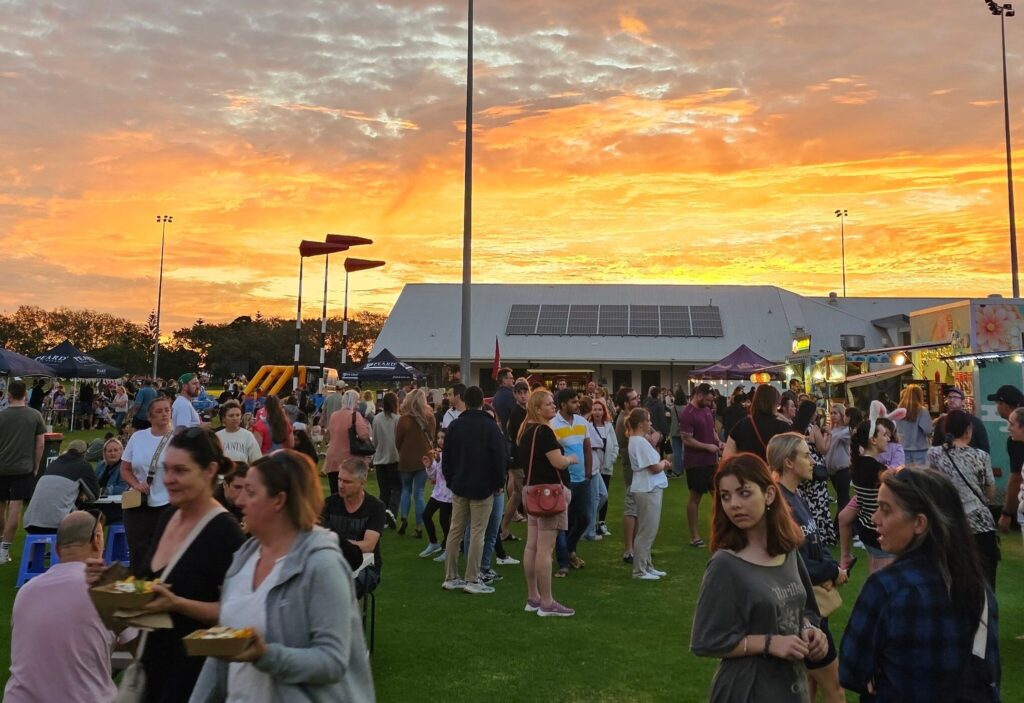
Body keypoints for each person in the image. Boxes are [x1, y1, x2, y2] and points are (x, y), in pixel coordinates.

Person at [192, 450, 376, 702]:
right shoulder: (244, 557)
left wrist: (265, 655)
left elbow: (332, 662)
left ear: (278, 500)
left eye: (251, 492)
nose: (240, 501)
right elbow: (220, 651)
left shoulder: (321, 564)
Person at [840, 468, 1000, 702]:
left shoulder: (886, 588)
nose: (875, 518)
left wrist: (878, 672)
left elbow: (850, 670)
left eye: (885, 509)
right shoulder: (978, 588)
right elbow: (990, 670)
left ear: (919, 523)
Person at [691, 453, 826, 702]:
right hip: (747, 689)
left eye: (744, 493)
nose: (733, 504)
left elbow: (806, 609)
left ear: (769, 495)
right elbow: (706, 639)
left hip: (791, 686)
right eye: (725, 496)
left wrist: (810, 630)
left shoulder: (788, 551)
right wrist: (768, 643)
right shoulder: (725, 565)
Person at [132, 427, 245, 702]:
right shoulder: (169, 516)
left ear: (210, 471)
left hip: (194, 680)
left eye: (180, 471)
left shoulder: (225, 533)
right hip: (152, 671)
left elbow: (240, 615)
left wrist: (178, 604)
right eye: (166, 469)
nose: (168, 479)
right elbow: (149, 584)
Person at [4, 510, 134, 703]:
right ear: (97, 540)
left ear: (57, 549)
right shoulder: (111, 588)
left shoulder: (26, 591)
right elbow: (145, 650)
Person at [767, 433, 847, 703]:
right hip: (800, 610)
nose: (812, 461)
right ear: (788, 462)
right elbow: (793, 562)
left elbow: (816, 542)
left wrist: (831, 567)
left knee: (808, 683)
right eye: (805, 455)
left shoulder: (795, 496)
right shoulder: (780, 505)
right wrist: (832, 572)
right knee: (834, 687)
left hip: (812, 604)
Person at [441, 385, 506, 594]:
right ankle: (472, 578)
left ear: (465, 401)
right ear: (482, 402)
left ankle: (451, 576)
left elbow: (446, 456)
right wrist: (498, 483)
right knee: (478, 532)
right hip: (482, 487)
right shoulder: (490, 427)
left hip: (459, 484)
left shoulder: (455, 426)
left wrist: (450, 481)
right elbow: (499, 457)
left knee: (455, 531)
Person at [518, 388, 576, 617]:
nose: (553, 406)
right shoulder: (544, 432)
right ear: (538, 408)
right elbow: (558, 462)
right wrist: (571, 458)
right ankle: (547, 602)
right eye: (549, 403)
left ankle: (533, 597)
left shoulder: (526, 432)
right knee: (544, 549)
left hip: (531, 492)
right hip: (547, 496)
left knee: (532, 546)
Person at [926, 410, 999, 587]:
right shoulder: (981, 456)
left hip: (948, 523)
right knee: (986, 582)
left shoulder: (933, 454)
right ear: (968, 430)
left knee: (953, 581)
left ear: (945, 430)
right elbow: (990, 491)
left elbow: (930, 487)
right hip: (981, 525)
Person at [120, 395, 174, 576]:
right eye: (159, 411)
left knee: (164, 549)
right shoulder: (138, 437)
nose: (164, 414)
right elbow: (125, 468)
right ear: (149, 417)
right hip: (139, 502)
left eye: (167, 410)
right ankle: (139, 583)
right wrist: (136, 484)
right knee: (138, 549)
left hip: (167, 502)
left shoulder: (177, 438)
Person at [320, 456, 385, 598]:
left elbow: (368, 546)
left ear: (362, 483)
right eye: (339, 479)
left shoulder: (375, 507)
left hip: (367, 567)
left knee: (339, 590)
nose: (341, 485)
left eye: (347, 482)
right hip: (333, 562)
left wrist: (335, 542)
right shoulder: (329, 504)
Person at [0, 379, 46, 564]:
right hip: (23, 467)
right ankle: (4, 550)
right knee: (15, 508)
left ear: (9, 395)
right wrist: (36, 466)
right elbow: (40, 444)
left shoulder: (1, 415)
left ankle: (0, 544)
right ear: (25, 395)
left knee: (1, 507)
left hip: (2, 467)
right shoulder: (35, 415)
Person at [841, 418, 895, 574]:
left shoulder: (857, 465)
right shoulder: (879, 470)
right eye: (884, 435)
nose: (888, 438)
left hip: (866, 531)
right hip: (880, 534)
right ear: (873, 440)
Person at [549, 388, 593, 576]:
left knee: (584, 518)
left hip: (582, 479)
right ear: (563, 404)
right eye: (573, 402)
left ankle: (569, 548)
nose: (577, 405)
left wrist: (588, 473)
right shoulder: (552, 424)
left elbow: (587, 448)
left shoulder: (582, 422)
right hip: (564, 481)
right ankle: (563, 562)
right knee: (562, 522)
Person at [626, 408, 669, 580]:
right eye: (648, 420)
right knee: (646, 531)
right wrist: (664, 463)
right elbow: (653, 467)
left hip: (647, 487)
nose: (650, 423)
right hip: (647, 488)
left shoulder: (638, 440)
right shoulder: (639, 442)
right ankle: (639, 570)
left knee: (648, 530)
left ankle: (647, 566)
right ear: (641, 423)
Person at [679, 383, 723, 548]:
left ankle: (720, 531)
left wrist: (718, 442)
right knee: (695, 498)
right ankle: (694, 536)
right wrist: (706, 447)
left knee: (719, 496)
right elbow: (686, 439)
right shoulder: (688, 414)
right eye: (707, 400)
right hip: (696, 463)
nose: (710, 403)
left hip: (711, 462)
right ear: (698, 395)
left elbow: (712, 431)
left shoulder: (707, 411)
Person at [24, 439, 99, 533]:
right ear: (84, 453)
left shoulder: (53, 464)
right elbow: (95, 495)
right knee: (86, 528)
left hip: (30, 523)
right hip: (57, 524)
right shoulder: (84, 465)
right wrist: (82, 495)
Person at [792, 400, 836, 546]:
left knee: (805, 501)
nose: (816, 414)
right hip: (815, 468)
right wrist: (829, 435)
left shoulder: (794, 429)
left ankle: (806, 532)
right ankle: (822, 535)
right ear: (811, 414)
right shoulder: (814, 429)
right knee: (819, 502)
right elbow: (823, 449)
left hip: (801, 467)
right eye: (815, 412)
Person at [394, 389, 434, 536]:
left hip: (406, 458)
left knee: (406, 489)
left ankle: (404, 517)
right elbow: (432, 437)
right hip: (424, 459)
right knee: (419, 493)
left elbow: (397, 441)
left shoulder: (403, 419)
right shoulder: (429, 417)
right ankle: (419, 526)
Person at [614, 386, 644, 563]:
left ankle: (636, 547)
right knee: (632, 509)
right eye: (633, 399)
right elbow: (645, 439)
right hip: (632, 469)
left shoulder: (631, 417)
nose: (637, 400)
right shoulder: (624, 420)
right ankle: (629, 550)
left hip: (637, 468)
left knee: (637, 509)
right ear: (626, 403)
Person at [723, 384, 791, 461]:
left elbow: (727, 457)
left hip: (747, 467)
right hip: (773, 468)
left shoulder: (741, 425)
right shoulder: (783, 427)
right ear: (774, 403)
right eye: (778, 404)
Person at [499, 379, 531, 541]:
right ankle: (532, 533)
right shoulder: (517, 414)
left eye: (525, 392)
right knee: (526, 496)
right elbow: (519, 439)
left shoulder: (526, 411)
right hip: (519, 460)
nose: (523, 395)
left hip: (521, 459)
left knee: (517, 495)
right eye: (520, 393)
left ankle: (504, 529)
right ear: (515, 395)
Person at [990, 384, 1024, 536]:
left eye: (998, 403)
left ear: (1004, 404)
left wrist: (1006, 512)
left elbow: (1016, 479)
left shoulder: (1015, 442)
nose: (1009, 429)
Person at [324, 390, 371, 496]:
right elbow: (364, 435)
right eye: (358, 400)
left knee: (335, 492)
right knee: (350, 493)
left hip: (332, 458)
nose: (359, 403)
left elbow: (330, 433)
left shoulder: (334, 415)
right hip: (349, 458)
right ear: (354, 401)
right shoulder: (355, 415)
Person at [585, 397, 617, 540]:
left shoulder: (608, 426)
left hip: (607, 466)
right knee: (594, 496)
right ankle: (589, 523)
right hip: (594, 467)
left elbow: (615, 445)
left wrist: (612, 459)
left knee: (604, 495)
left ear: (604, 411)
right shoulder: (588, 426)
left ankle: (601, 522)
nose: (597, 412)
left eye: (600, 409)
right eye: (595, 409)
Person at [370, 391, 401, 529]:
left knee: (384, 490)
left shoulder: (376, 419)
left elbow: (374, 440)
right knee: (396, 488)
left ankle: (382, 517)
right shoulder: (397, 419)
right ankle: (392, 512)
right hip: (394, 458)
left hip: (379, 458)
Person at [420, 428, 451, 559]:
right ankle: (434, 543)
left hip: (449, 494)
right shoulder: (440, 454)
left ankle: (448, 548)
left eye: (443, 437)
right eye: (438, 438)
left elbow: (447, 474)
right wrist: (429, 466)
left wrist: (438, 462)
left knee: (444, 521)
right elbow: (434, 476)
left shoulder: (451, 454)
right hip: (438, 492)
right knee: (426, 515)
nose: (440, 440)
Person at [931, 387, 990, 452]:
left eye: (955, 397)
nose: (951, 400)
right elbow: (936, 444)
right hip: (946, 456)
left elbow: (984, 446)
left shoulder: (974, 421)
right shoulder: (942, 421)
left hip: (970, 457)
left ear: (963, 402)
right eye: (949, 397)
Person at [823, 404, 855, 514]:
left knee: (843, 498)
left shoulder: (847, 430)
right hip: (832, 470)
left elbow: (845, 437)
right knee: (842, 497)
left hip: (843, 468)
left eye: (835, 413)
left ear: (842, 414)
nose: (832, 415)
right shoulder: (832, 429)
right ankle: (848, 519)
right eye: (831, 413)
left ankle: (841, 522)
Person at [894, 385, 932, 465]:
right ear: (920, 396)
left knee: (905, 472)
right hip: (920, 451)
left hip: (903, 450)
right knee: (920, 473)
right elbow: (928, 430)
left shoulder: (898, 411)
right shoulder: (922, 410)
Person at [667, 388, 687, 478]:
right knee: (685, 450)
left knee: (676, 451)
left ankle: (677, 470)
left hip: (674, 430)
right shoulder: (686, 408)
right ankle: (685, 468)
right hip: (685, 431)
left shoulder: (673, 408)